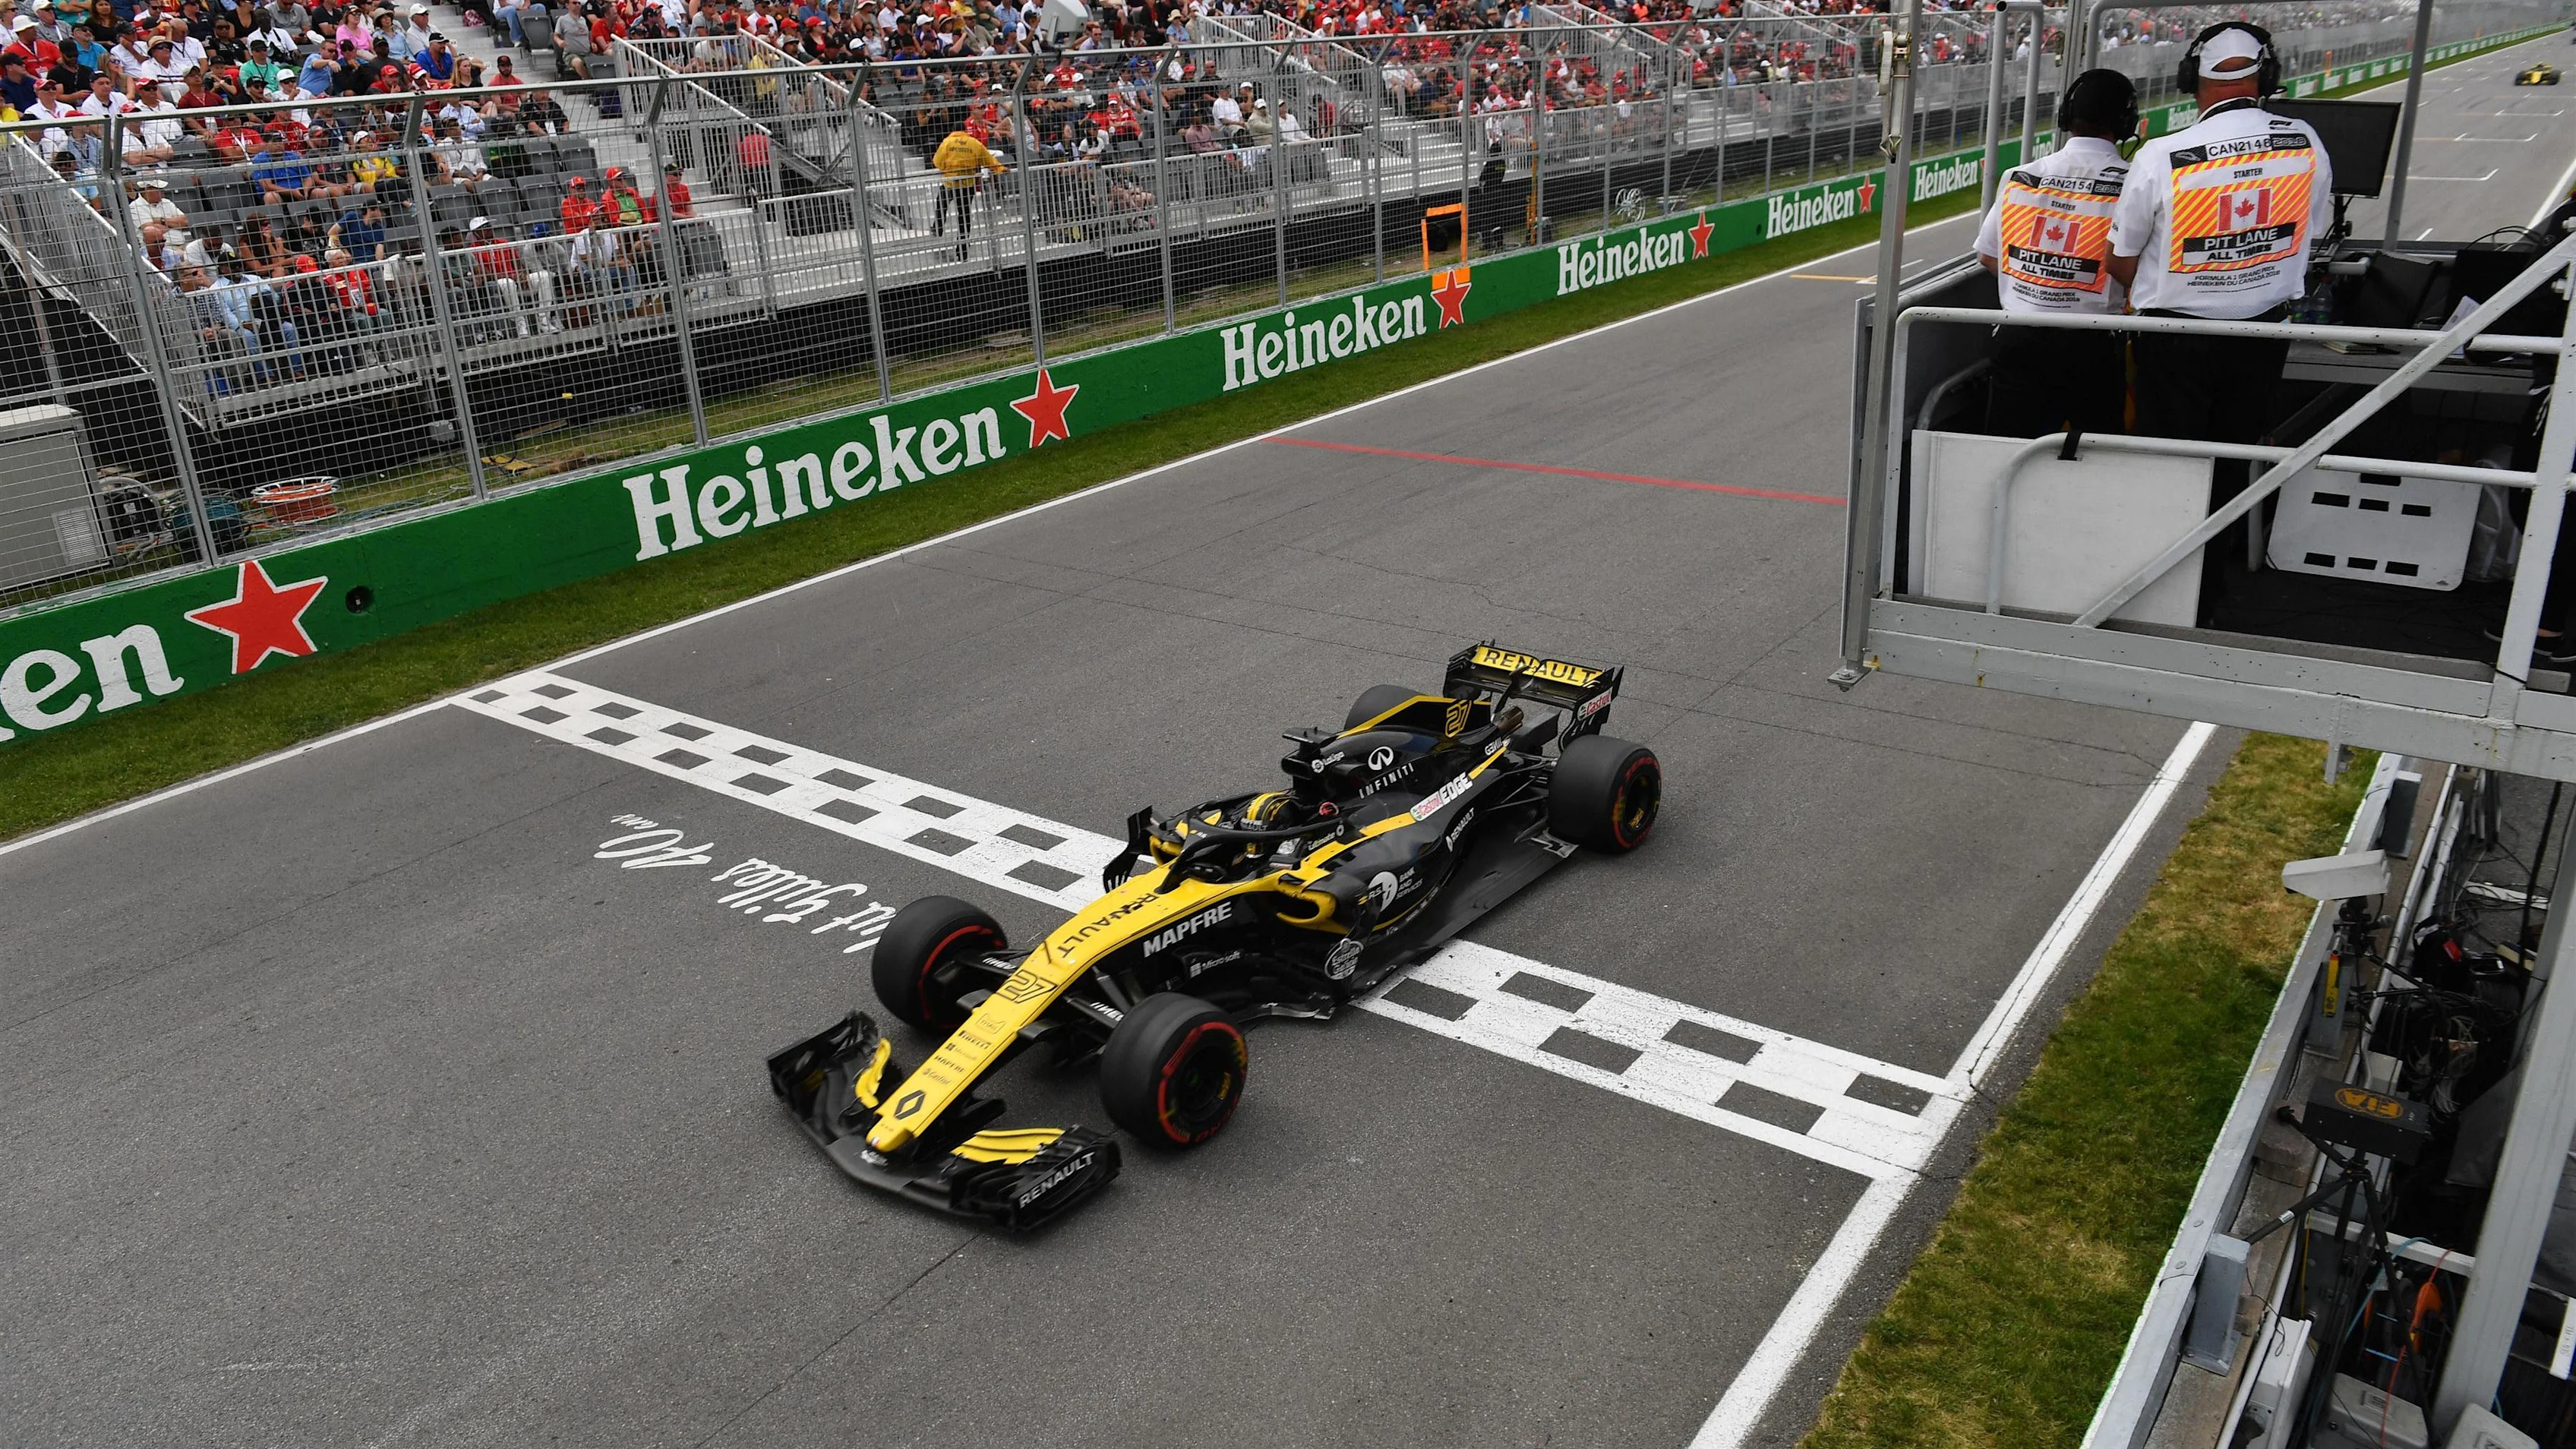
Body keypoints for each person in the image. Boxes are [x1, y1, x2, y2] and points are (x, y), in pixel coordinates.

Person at [2108, 21, 2330, 460]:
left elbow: (2119, 261)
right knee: (2238, 460)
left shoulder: (2160, 155)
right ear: (2266, 76)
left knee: (2168, 464)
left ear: (2191, 79)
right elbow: (2314, 232)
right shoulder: (2305, 141)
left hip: (2174, 340)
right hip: (2262, 335)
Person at [1973, 67, 2136, 439]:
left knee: (2005, 452)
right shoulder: (2133, 181)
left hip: (2019, 338)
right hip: (2092, 343)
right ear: (2125, 122)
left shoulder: (2020, 175)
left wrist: (2038, 286)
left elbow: (1988, 256)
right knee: (2095, 455)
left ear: (2067, 117)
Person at [932, 120, 1004, 259]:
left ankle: (938, 226)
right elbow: (988, 160)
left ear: (953, 130)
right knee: (964, 215)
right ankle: (963, 248)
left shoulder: (947, 143)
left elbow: (937, 162)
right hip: (967, 185)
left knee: (941, 203)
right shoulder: (974, 143)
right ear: (965, 130)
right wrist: (1001, 169)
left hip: (950, 184)